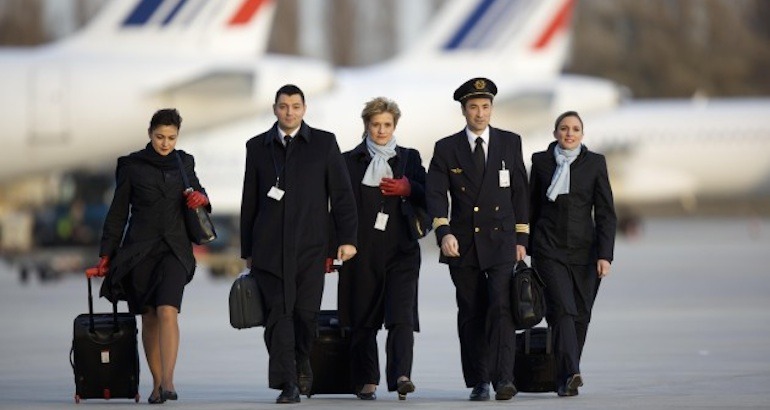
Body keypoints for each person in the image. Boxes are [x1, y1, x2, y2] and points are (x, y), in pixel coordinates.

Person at [240, 84, 358, 404]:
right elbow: (249, 201)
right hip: (268, 249)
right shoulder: (257, 147)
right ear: (274, 108)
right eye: (283, 106)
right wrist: (247, 250)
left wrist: (346, 240)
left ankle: (302, 358)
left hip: (311, 247)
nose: (289, 112)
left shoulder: (324, 143)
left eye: (295, 106)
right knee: (278, 316)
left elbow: (342, 197)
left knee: (305, 315)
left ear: (304, 109)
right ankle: (287, 382)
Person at [89, 108, 210, 404]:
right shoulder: (131, 165)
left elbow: (201, 195)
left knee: (168, 310)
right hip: (139, 251)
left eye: (171, 137)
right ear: (150, 133)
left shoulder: (185, 162)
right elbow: (118, 213)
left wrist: (203, 198)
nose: (165, 143)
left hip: (175, 250)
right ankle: (156, 384)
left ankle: (169, 381)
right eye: (160, 137)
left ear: (177, 136)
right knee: (149, 317)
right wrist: (106, 254)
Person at [426, 78, 529, 401]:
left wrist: (522, 237)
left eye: (485, 107)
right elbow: (435, 193)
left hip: (501, 241)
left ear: (492, 109)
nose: (480, 114)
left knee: (501, 308)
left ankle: (504, 379)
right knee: (471, 310)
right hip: (464, 243)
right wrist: (443, 232)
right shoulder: (446, 148)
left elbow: (520, 192)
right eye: (473, 107)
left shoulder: (510, 143)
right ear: (463, 111)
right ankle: (479, 380)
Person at [337, 97, 425, 401]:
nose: (381, 130)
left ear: (395, 126)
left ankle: (402, 375)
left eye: (387, 125)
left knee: (401, 316)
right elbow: (336, 206)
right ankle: (367, 380)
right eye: (376, 124)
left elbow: (428, 196)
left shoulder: (410, 159)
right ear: (366, 125)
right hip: (361, 251)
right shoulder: (348, 160)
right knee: (363, 319)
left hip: (402, 250)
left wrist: (409, 188)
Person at [528, 110, 617, 397]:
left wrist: (605, 255)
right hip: (548, 249)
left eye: (575, 129)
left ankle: (565, 378)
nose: (569, 133)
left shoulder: (595, 163)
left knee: (581, 315)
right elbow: (530, 208)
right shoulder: (541, 162)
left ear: (582, 134)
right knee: (563, 311)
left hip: (585, 253)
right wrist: (524, 246)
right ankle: (571, 372)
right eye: (564, 128)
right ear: (555, 133)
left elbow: (605, 213)